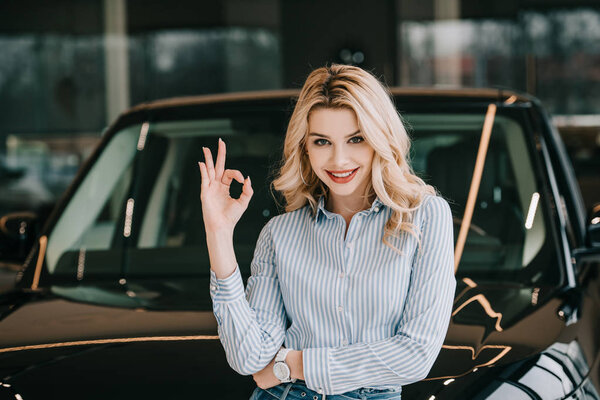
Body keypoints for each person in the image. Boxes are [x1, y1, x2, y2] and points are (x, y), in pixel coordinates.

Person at [198, 63, 456, 400]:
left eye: (356, 139)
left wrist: (293, 364)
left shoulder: (425, 217)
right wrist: (219, 236)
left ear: (380, 138)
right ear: (305, 146)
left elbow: (415, 356)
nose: (339, 159)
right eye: (322, 141)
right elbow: (250, 357)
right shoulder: (279, 234)